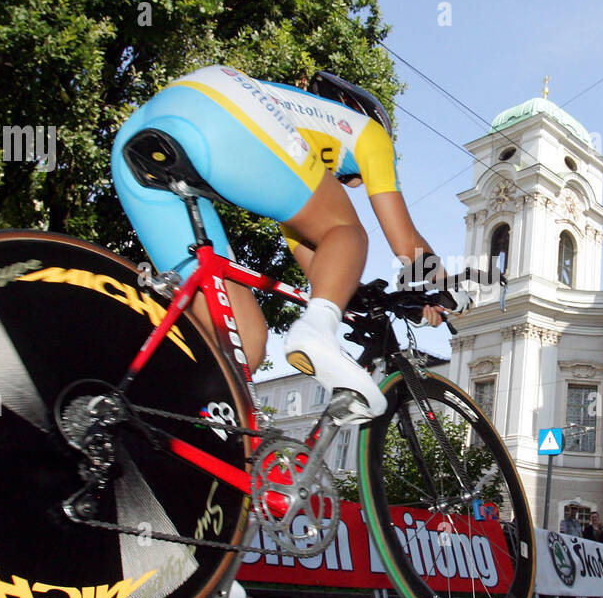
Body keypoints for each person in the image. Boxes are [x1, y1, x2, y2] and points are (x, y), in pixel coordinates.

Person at [112, 66, 466, 427]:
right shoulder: (369, 133)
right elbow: (405, 242)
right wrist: (445, 288)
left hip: (138, 137)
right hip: (220, 106)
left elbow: (322, 268)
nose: (349, 181)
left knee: (242, 345)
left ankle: (144, 421)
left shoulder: (289, 154)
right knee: (348, 229)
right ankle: (315, 335)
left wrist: (363, 296)